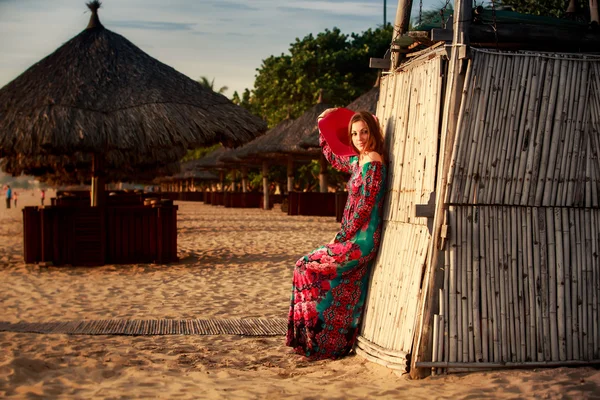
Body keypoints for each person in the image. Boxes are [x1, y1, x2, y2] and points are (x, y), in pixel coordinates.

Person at [286, 109, 387, 360]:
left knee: (304, 266)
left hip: (361, 240)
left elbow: (364, 207)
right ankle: (318, 342)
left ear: (372, 132)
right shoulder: (358, 159)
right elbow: (334, 158)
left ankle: (319, 342)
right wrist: (322, 127)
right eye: (354, 133)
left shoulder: (373, 160)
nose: (359, 137)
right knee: (305, 269)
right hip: (350, 237)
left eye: (364, 131)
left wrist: (341, 236)